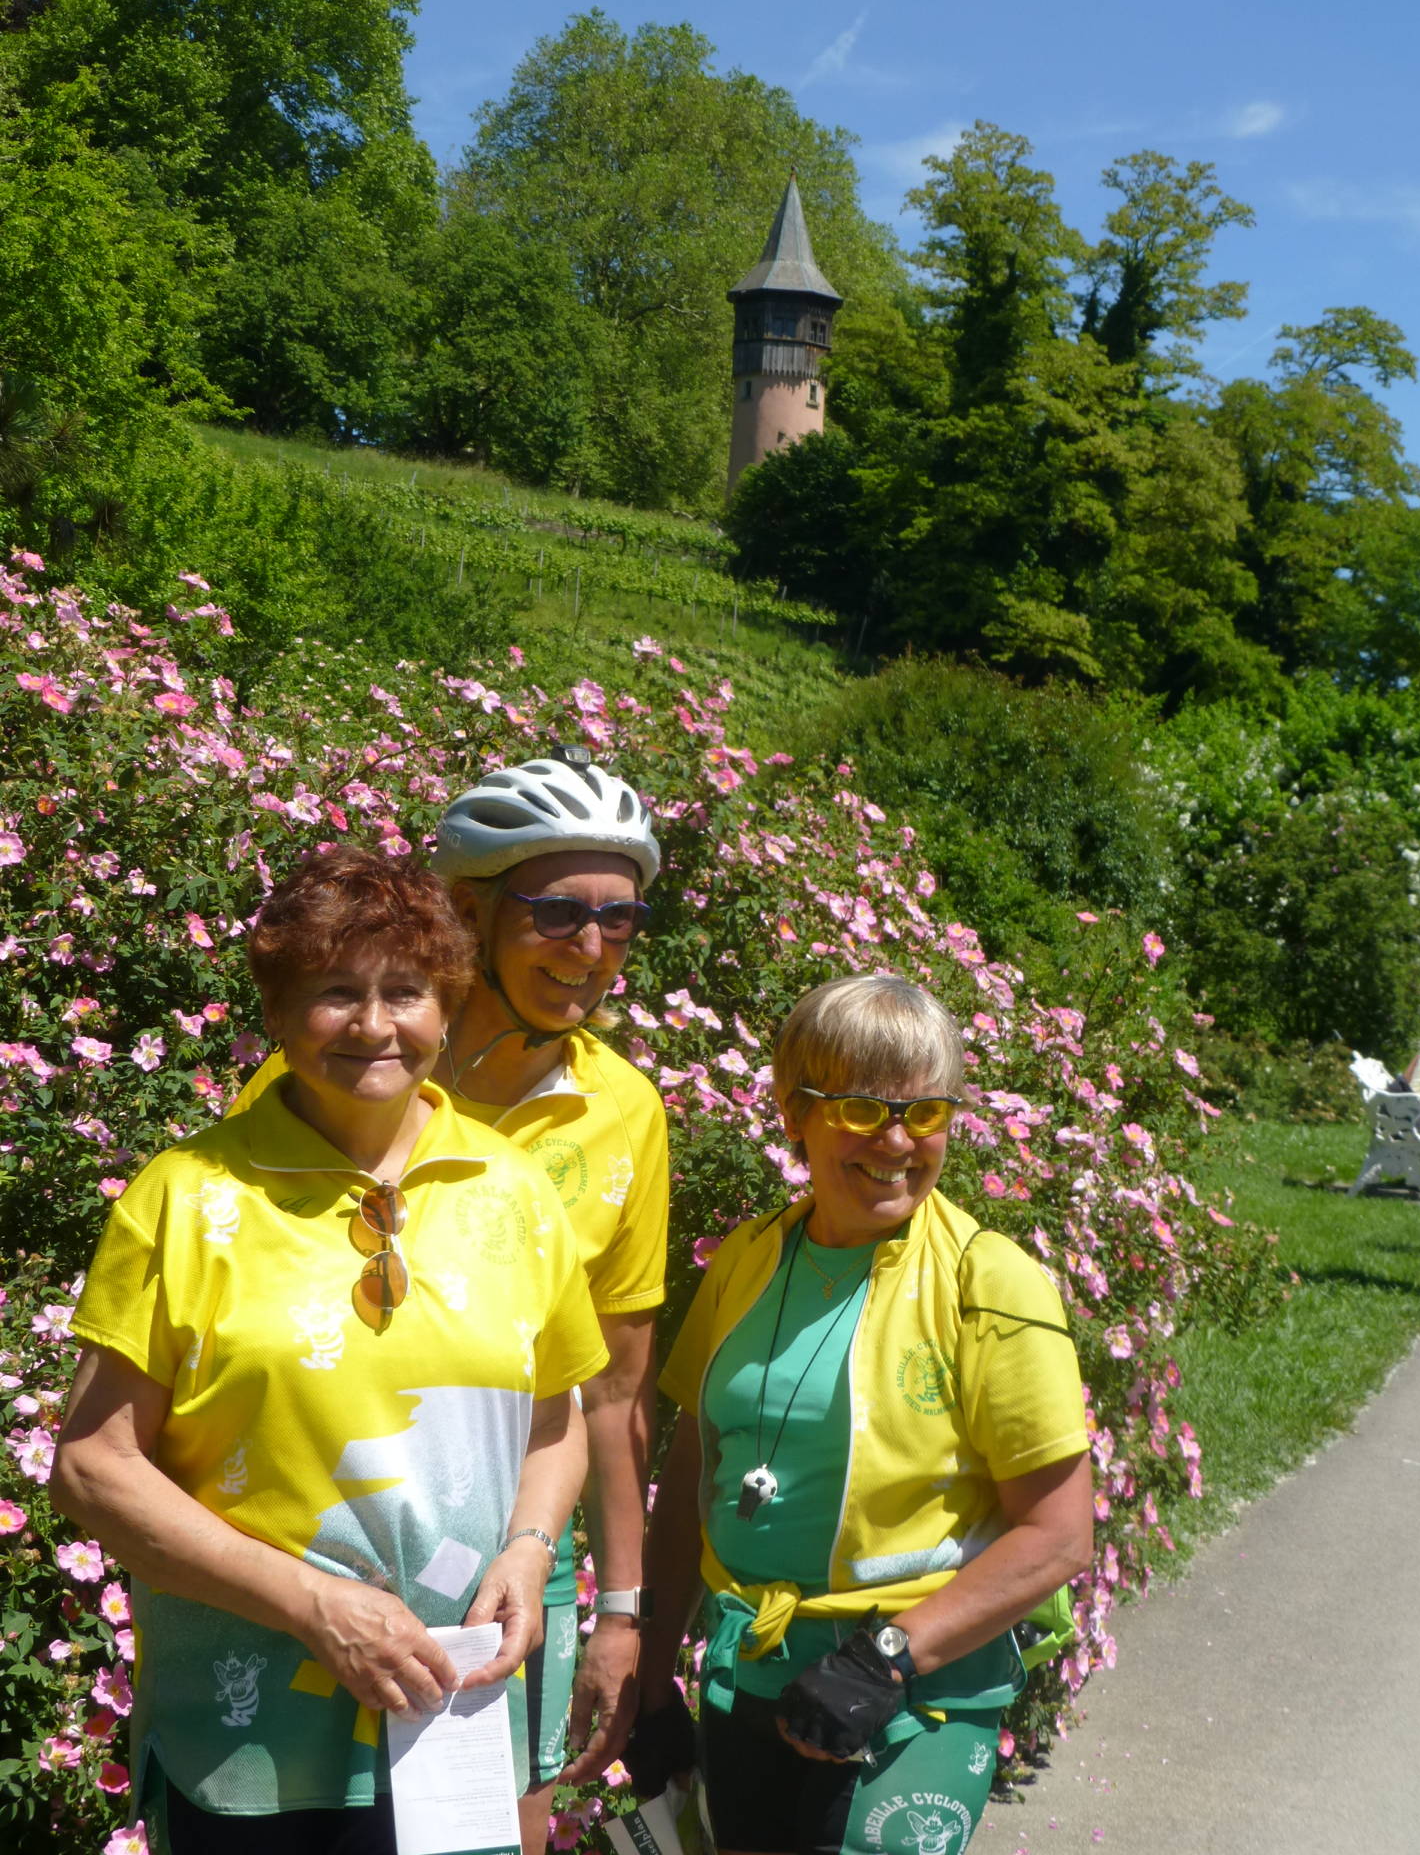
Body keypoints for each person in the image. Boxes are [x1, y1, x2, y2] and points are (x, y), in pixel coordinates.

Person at [52, 848, 607, 1854]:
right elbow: (94, 1468)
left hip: (452, 1717)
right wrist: (313, 1605)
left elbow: (555, 1419)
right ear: (277, 1010)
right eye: (336, 992)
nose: (374, 1024)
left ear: (447, 1006)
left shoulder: (515, 1191)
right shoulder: (186, 1199)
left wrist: (530, 1548)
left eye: (406, 992)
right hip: (252, 1738)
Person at [235, 750, 670, 1850]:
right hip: (326, 1546)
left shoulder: (625, 1113)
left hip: (515, 1559)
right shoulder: (332, 1070)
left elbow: (614, 1392)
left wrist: (621, 1614)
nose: (590, 949)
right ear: (470, 915)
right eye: (557, 912)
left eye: (620, 919)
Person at [630, 975, 1093, 1855]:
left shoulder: (990, 1280)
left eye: (926, 1113)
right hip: (750, 1680)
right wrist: (654, 1678)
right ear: (793, 1113)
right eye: (862, 1109)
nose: (897, 1140)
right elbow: (694, 1473)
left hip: (915, 1695)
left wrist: (888, 1655)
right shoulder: (748, 1257)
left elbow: (1059, 1536)